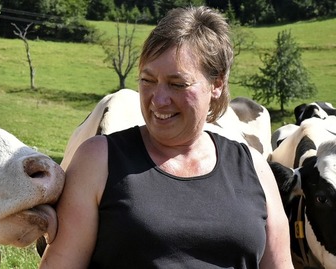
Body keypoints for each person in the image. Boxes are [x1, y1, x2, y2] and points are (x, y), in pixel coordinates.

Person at [39, 6, 293, 269]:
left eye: (177, 84)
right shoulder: (98, 160)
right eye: (148, 80)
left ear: (216, 84)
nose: (158, 100)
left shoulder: (254, 168)